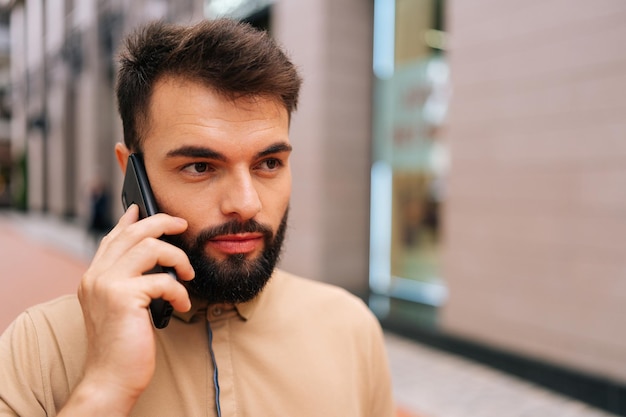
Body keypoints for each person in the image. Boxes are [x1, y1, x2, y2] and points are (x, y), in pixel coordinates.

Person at [0, 19, 395, 416]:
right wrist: (105, 387)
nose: (246, 204)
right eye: (200, 167)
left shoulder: (351, 329)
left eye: (269, 162)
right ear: (132, 174)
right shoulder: (39, 349)